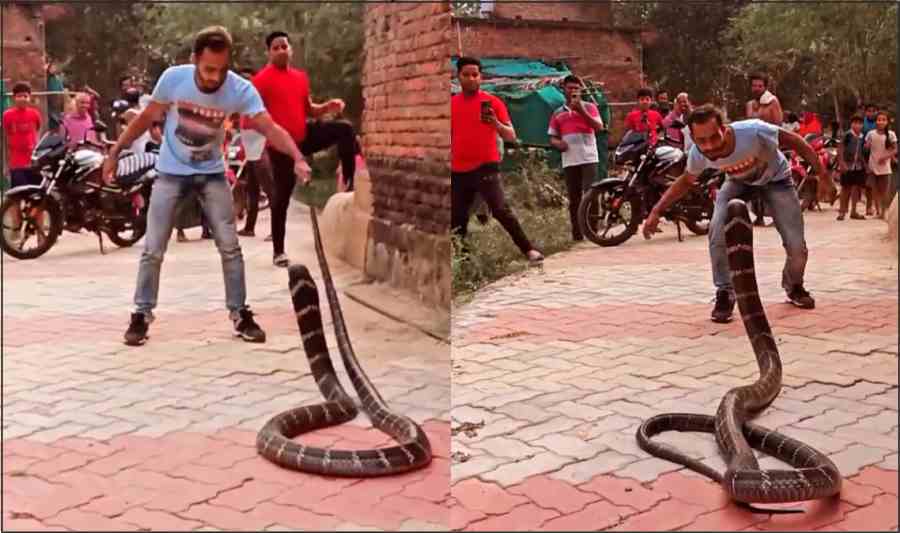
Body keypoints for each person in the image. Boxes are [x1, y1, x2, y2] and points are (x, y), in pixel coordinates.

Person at [102, 26, 311, 347]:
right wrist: (115, 153)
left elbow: (270, 127)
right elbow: (145, 119)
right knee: (153, 247)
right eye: (208, 69)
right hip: (170, 173)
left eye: (222, 70)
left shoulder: (239, 89)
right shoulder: (174, 79)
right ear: (195, 59)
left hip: (212, 174)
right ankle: (141, 315)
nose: (215, 77)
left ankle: (240, 313)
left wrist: (297, 157)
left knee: (230, 246)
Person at [643, 105, 832, 323]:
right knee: (716, 231)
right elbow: (685, 181)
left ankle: (794, 285)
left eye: (714, 137)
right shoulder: (698, 154)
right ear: (693, 139)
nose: (710, 146)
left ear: (724, 129)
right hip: (737, 183)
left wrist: (822, 175)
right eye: (701, 141)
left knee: (796, 244)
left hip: (776, 180)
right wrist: (656, 211)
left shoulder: (754, 131)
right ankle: (725, 292)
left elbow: (797, 142)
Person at [251, 30, 359, 267]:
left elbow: (309, 110)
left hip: (304, 135)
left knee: (344, 129)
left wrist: (328, 107)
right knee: (282, 197)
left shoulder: (300, 77)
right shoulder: (260, 81)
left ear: (290, 49)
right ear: (268, 52)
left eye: (284, 46)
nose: (281, 50)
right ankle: (278, 251)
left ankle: (349, 179)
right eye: (276, 47)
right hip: (281, 147)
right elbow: (253, 117)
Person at [451, 56, 543, 263]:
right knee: (457, 218)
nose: (471, 79)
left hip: (486, 165)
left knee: (500, 209)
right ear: (458, 77)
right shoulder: (451, 104)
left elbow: (510, 135)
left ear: (481, 77)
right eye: (466, 75)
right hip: (458, 169)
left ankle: (528, 250)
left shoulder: (493, 102)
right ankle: (464, 261)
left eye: (475, 75)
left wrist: (495, 124)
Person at [548, 74, 605, 242]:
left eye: (576, 88)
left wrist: (581, 110)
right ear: (563, 90)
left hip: (588, 158)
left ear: (581, 91)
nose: (573, 91)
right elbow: (552, 136)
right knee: (574, 199)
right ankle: (577, 235)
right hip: (570, 160)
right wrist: (558, 143)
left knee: (591, 194)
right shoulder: (558, 113)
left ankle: (593, 231)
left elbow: (598, 127)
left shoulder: (590, 107)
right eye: (570, 88)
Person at [235, 67, 273, 237]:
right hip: (251, 152)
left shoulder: (259, 102)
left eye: (248, 79)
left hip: (261, 151)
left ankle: (275, 230)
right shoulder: (243, 103)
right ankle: (250, 227)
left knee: (271, 190)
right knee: (252, 190)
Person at [744, 72, 782, 226]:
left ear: (765, 87)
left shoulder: (772, 102)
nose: (757, 88)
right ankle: (758, 216)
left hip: (768, 148)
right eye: (754, 85)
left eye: (760, 86)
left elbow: (778, 124)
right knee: (755, 184)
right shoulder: (749, 105)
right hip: (753, 150)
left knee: (771, 185)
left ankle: (776, 216)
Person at [2, 82, 42, 188]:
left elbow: (37, 129)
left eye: (25, 96)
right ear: (14, 98)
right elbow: (6, 137)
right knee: (19, 194)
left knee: (36, 193)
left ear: (30, 97)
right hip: (16, 163)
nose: (23, 99)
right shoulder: (7, 115)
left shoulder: (35, 114)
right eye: (19, 96)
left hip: (33, 162)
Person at [864, 111, 897, 219]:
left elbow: (895, 150)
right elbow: (866, 148)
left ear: (887, 122)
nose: (881, 122)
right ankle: (878, 210)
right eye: (879, 119)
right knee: (874, 190)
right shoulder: (871, 133)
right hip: (873, 165)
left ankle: (884, 211)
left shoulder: (891, 134)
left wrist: (885, 157)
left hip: (885, 167)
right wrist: (866, 146)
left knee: (884, 191)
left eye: (883, 120)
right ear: (876, 121)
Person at [836, 115, 868, 221]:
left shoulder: (862, 137)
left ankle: (854, 211)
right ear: (851, 124)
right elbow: (840, 148)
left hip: (858, 165)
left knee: (856, 188)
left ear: (862, 125)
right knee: (845, 188)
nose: (857, 125)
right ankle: (842, 211)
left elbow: (860, 152)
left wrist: (865, 164)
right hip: (847, 165)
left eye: (860, 123)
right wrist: (841, 162)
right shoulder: (847, 135)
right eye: (855, 123)